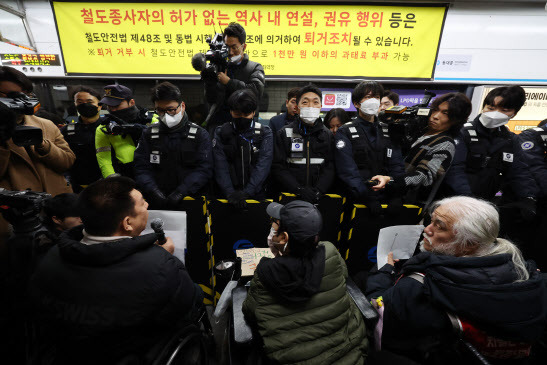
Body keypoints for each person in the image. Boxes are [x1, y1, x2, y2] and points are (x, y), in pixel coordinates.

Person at [29, 176, 203, 364]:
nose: (147, 205)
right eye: (143, 203)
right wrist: (163, 259)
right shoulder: (160, 266)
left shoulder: (51, 256)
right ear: (127, 223)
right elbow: (189, 305)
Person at [366, 196, 547, 364]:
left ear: (468, 245)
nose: (427, 229)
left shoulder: (419, 285)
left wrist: (383, 272)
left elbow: (380, 312)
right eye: (431, 221)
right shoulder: (528, 274)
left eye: (440, 226)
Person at [243, 200, 368, 364]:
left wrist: (279, 256)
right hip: (351, 355)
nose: (272, 231)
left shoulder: (265, 274)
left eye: (275, 227)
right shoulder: (330, 252)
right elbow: (342, 277)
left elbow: (249, 311)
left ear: (284, 237)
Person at [0, 66, 75, 242]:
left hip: (56, 210)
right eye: (10, 95)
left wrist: (42, 144)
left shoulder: (45, 124)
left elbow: (67, 161)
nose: (19, 101)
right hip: (16, 216)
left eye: (23, 95)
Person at [442, 86, 537, 218]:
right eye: (491, 108)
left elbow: (519, 171)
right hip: (454, 202)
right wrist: (468, 200)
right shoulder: (463, 132)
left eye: (504, 110)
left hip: (485, 205)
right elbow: (455, 170)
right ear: (483, 107)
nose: (495, 113)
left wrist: (528, 197)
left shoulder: (510, 140)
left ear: (514, 113)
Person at [371, 93, 472, 206]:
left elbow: (424, 177)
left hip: (406, 202)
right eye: (435, 110)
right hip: (383, 191)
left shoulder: (445, 144)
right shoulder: (418, 130)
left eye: (445, 113)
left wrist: (391, 180)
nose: (435, 116)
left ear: (456, 120)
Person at [134, 82, 213, 209]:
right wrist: (153, 190)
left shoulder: (199, 135)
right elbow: (141, 167)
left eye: (171, 109)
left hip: (190, 199)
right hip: (156, 200)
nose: (166, 115)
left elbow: (204, 169)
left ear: (182, 106)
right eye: (160, 110)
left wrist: (181, 192)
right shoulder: (149, 134)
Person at [334, 81, 405, 215]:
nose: (373, 101)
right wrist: (367, 197)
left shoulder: (388, 130)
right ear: (356, 103)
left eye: (376, 97)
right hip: (358, 199)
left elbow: (397, 164)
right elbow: (347, 171)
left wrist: (396, 194)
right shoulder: (346, 131)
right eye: (368, 97)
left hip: (388, 198)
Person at [271, 84, 335, 203]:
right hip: (290, 196)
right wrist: (298, 189)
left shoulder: (328, 135)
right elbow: (278, 167)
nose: (311, 106)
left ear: (321, 106)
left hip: (319, 197)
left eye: (315, 102)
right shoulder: (284, 133)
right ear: (297, 107)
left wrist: (318, 191)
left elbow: (330, 167)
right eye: (305, 102)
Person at [212, 89, 273, 208]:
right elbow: (220, 165)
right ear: (231, 112)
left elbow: (263, 165)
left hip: (256, 195)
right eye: (237, 114)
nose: (242, 118)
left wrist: (247, 192)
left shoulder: (264, 133)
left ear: (254, 112)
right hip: (226, 196)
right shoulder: (220, 132)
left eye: (246, 115)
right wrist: (229, 192)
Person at [204, 22, 265, 131]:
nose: (230, 52)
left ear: (244, 46)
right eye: (227, 47)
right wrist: (209, 82)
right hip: (219, 125)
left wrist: (229, 82)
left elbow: (255, 93)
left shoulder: (254, 67)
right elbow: (211, 99)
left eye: (234, 47)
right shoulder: (219, 66)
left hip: (244, 124)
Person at [95, 84, 152, 179]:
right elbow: (104, 159)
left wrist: (138, 130)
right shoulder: (104, 128)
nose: (112, 109)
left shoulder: (150, 120)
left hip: (153, 174)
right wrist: (112, 179)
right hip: (126, 177)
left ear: (132, 102)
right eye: (109, 106)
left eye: (116, 105)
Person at [61, 86, 103, 192]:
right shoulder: (67, 131)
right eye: (79, 102)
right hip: (77, 186)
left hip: (106, 183)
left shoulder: (109, 127)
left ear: (100, 105)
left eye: (89, 101)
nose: (84, 105)